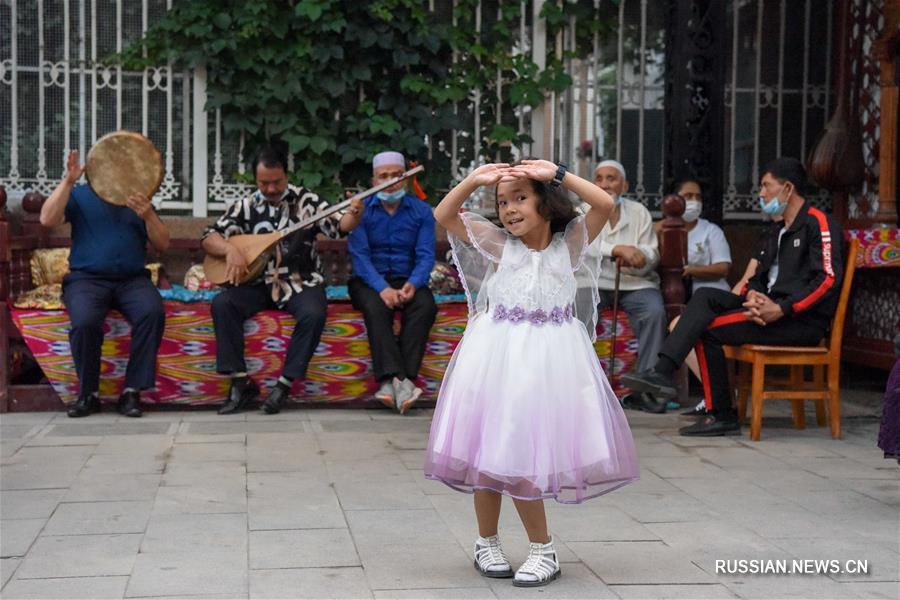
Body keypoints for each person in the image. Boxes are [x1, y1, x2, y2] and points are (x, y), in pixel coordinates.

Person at [425, 159, 639, 587]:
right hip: (496, 358)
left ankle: (543, 548)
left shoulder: (570, 245)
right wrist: (473, 180)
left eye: (520, 198)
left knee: (522, 452)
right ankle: (486, 542)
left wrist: (557, 172)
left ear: (545, 202)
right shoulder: (499, 245)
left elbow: (604, 202)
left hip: (550, 363)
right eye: (503, 202)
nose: (508, 209)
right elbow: (443, 215)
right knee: (487, 452)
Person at [623, 157, 844, 436]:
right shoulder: (777, 229)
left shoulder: (818, 223)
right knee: (705, 296)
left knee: (706, 330)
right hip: (768, 309)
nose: (761, 193)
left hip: (797, 319)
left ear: (787, 188)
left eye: (766, 186)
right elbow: (758, 277)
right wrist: (753, 294)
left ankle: (721, 413)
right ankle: (662, 371)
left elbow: (828, 278)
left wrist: (782, 308)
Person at [202, 144, 363, 415]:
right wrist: (230, 250)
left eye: (276, 182)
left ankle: (284, 385)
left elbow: (339, 227)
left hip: (300, 281)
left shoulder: (306, 201)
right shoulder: (245, 206)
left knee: (313, 313)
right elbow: (210, 236)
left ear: (286, 176)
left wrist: (355, 213)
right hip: (257, 283)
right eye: (263, 183)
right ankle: (241, 383)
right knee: (223, 304)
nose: (271, 189)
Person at [39, 150, 169, 418]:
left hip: (132, 280)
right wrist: (68, 182)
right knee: (85, 321)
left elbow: (163, 243)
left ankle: (132, 391)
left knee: (152, 311)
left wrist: (148, 216)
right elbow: (46, 219)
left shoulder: (138, 197)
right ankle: (89, 394)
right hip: (87, 279)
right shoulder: (81, 194)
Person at [348, 151, 437, 414]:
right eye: (383, 177)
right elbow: (360, 259)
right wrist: (383, 289)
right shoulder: (361, 211)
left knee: (425, 306)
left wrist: (413, 283)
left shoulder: (421, 211)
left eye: (396, 176)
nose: (389, 182)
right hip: (369, 281)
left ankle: (396, 383)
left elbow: (425, 255)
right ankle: (400, 380)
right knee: (376, 307)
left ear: (406, 179)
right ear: (374, 180)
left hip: (407, 279)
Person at [588, 159, 667, 412]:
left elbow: (652, 253)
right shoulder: (583, 210)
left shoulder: (639, 212)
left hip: (635, 283)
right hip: (594, 282)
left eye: (611, 178)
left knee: (654, 311)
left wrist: (640, 255)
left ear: (625, 185)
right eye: (599, 179)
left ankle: (645, 387)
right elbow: (580, 246)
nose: (605, 184)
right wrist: (615, 249)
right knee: (578, 313)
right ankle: (584, 386)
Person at [655, 178, 732, 416]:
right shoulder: (661, 228)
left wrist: (690, 271)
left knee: (689, 327)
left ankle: (717, 397)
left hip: (710, 295)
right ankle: (704, 394)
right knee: (670, 321)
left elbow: (723, 267)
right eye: (688, 196)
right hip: (676, 295)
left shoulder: (711, 231)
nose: (693, 202)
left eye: (698, 197)